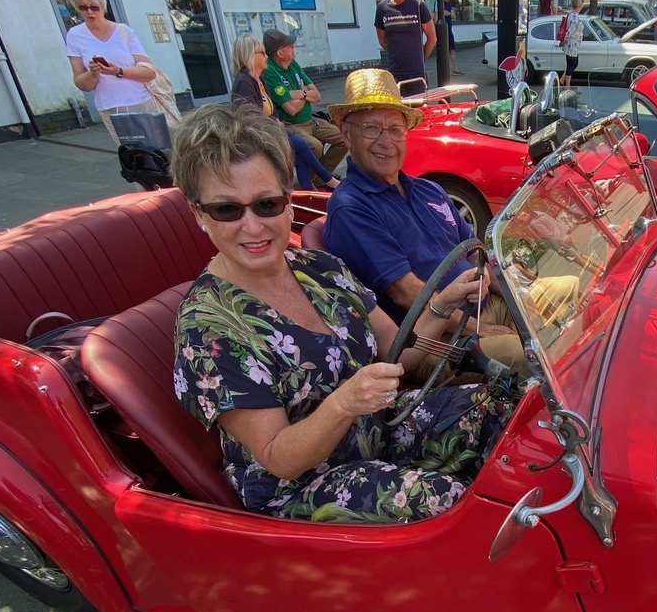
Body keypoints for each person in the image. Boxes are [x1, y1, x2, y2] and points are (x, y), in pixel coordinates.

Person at [171, 103, 511, 523]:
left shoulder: (321, 269)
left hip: (377, 429)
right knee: (461, 508)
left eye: (266, 203)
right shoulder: (208, 328)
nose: (253, 226)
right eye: (227, 209)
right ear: (199, 214)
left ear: (288, 202)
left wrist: (441, 305)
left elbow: (398, 352)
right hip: (301, 485)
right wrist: (344, 403)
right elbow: (279, 457)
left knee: (508, 405)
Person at [323, 69, 569, 374]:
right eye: (372, 128)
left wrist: (518, 297)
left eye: (395, 129)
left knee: (569, 292)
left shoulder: (428, 188)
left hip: (481, 307)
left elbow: (477, 254)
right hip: (432, 338)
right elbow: (407, 293)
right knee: (531, 356)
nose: (386, 141)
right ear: (346, 134)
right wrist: (478, 329)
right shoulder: (351, 208)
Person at [229, 34, 339, 190]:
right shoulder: (244, 81)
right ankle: (327, 179)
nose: (266, 56)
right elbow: (247, 118)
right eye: (262, 53)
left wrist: (276, 120)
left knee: (300, 154)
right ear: (250, 56)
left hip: (273, 130)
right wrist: (275, 123)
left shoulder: (260, 79)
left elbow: (271, 110)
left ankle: (310, 193)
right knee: (302, 144)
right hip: (258, 137)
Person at [63, 0, 161, 146]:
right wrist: (93, 73)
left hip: (141, 102)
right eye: (83, 7)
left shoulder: (124, 32)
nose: (90, 12)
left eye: (94, 6)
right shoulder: (75, 36)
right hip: (111, 107)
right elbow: (81, 83)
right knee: (134, 159)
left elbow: (149, 73)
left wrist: (118, 71)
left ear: (103, 4)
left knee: (160, 153)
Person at [260, 29, 347, 183]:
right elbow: (291, 110)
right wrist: (305, 93)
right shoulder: (269, 71)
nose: (294, 48)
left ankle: (320, 178)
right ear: (280, 53)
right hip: (291, 124)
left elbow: (317, 94)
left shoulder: (292, 63)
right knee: (315, 147)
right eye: (290, 46)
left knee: (344, 137)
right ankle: (322, 179)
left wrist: (298, 94)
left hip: (310, 120)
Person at [374, 0, 436, 96]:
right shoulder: (382, 8)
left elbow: (432, 38)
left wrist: (420, 57)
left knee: (419, 114)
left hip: (416, 73)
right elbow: (382, 39)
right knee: (398, 115)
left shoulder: (418, 5)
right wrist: (396, 53)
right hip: (395, 73)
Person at [559, 0, 585, 86]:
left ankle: (562, 80)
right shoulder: (574, 16)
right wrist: (564, 40)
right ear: (578, 3)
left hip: (575, 45)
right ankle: (567, 86)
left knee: (574, 64)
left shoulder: (575, 15)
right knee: (571, 65)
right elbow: (571, 31)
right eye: (582, 1)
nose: (583, 2)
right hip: (571, 44)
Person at [443, 0, 461, 75]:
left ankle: (455, 69)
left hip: (449, 30)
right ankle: (445, 70)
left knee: (452, 49)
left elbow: (453, 15)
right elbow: (434, 17)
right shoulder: (438, 3)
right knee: (444, 51)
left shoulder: (449, 4)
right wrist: (442, 13)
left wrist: (448, 13)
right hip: (442, 32)